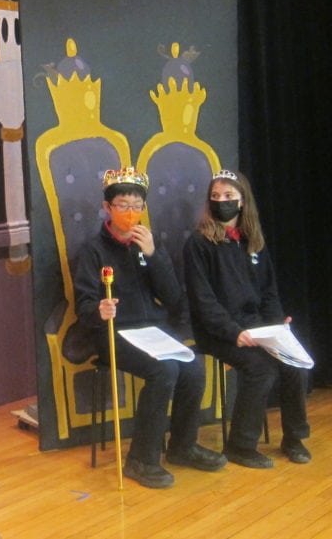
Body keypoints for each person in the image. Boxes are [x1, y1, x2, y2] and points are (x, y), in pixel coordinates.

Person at [74, 166, 226, 489]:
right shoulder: (93, 251)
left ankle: (182, 447)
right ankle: (141, 459)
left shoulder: (148, 244)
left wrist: (154, 256)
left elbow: (173, 298)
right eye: (123, 206)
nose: (131, 213)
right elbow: (83, 305)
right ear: (107, 208)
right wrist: (99, 309)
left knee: (193, 366)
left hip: (153, 330)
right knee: (165, 370)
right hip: (115, 333)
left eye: (136, 206)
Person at [183, 169, 310, 468]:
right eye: (215, 197)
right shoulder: (199, 244)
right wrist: (233, 332)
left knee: (295, 365)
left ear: (242, 201)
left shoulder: (253, 241)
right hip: (217, 330)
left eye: (228, 196)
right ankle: (240, 445)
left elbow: (268, 293)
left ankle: (294, 438)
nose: (221, 201)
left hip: (256, 325)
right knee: (261, 369)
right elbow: (203, 302)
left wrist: (278, 326)